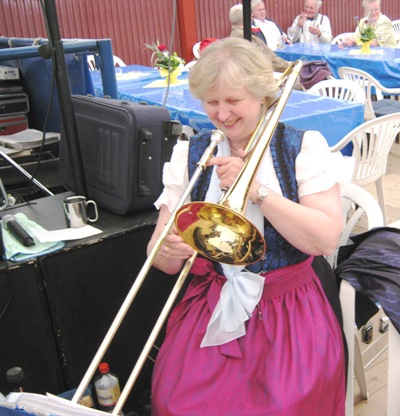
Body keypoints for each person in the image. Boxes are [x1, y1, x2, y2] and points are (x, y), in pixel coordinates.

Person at [147, 37, 346, 415]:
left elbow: (325, 238)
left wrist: (259, 192)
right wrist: (167, 249)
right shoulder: (191, 153)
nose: (222, 114)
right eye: (211, 102)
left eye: (233, 100)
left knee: (285, 405)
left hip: (289, 311)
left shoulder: (301, 147)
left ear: (261, 95)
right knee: (174, 400)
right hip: (212, 302)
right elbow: (161, 259)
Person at [229, 3, 291, 73]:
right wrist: (290, 66)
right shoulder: (245, 37)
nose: (252, 18)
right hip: (265, 74)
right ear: (246, 18)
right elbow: (264, 59)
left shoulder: (237, 35)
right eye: (250, 15)